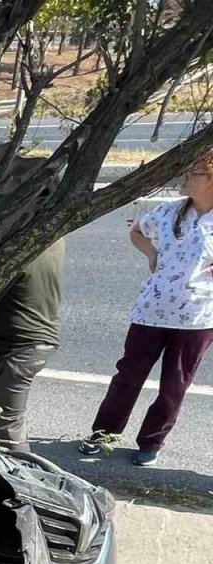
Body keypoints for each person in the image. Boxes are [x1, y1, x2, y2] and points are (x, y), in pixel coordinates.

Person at [81, 152, 213, 466]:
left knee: (174, 385)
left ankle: (151, 441)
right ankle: (104, 433)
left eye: (192, 172)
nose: (183, 177)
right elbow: (137, 231)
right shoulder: (168, 211)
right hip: (151, 311)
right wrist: (152, 254)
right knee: (128, 376)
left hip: (196, 319)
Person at [0, 238, 67, 452]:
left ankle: (24, 469)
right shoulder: (51, 238)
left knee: (8, 425)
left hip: (19, 350)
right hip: (24, 342)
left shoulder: (14, 255)